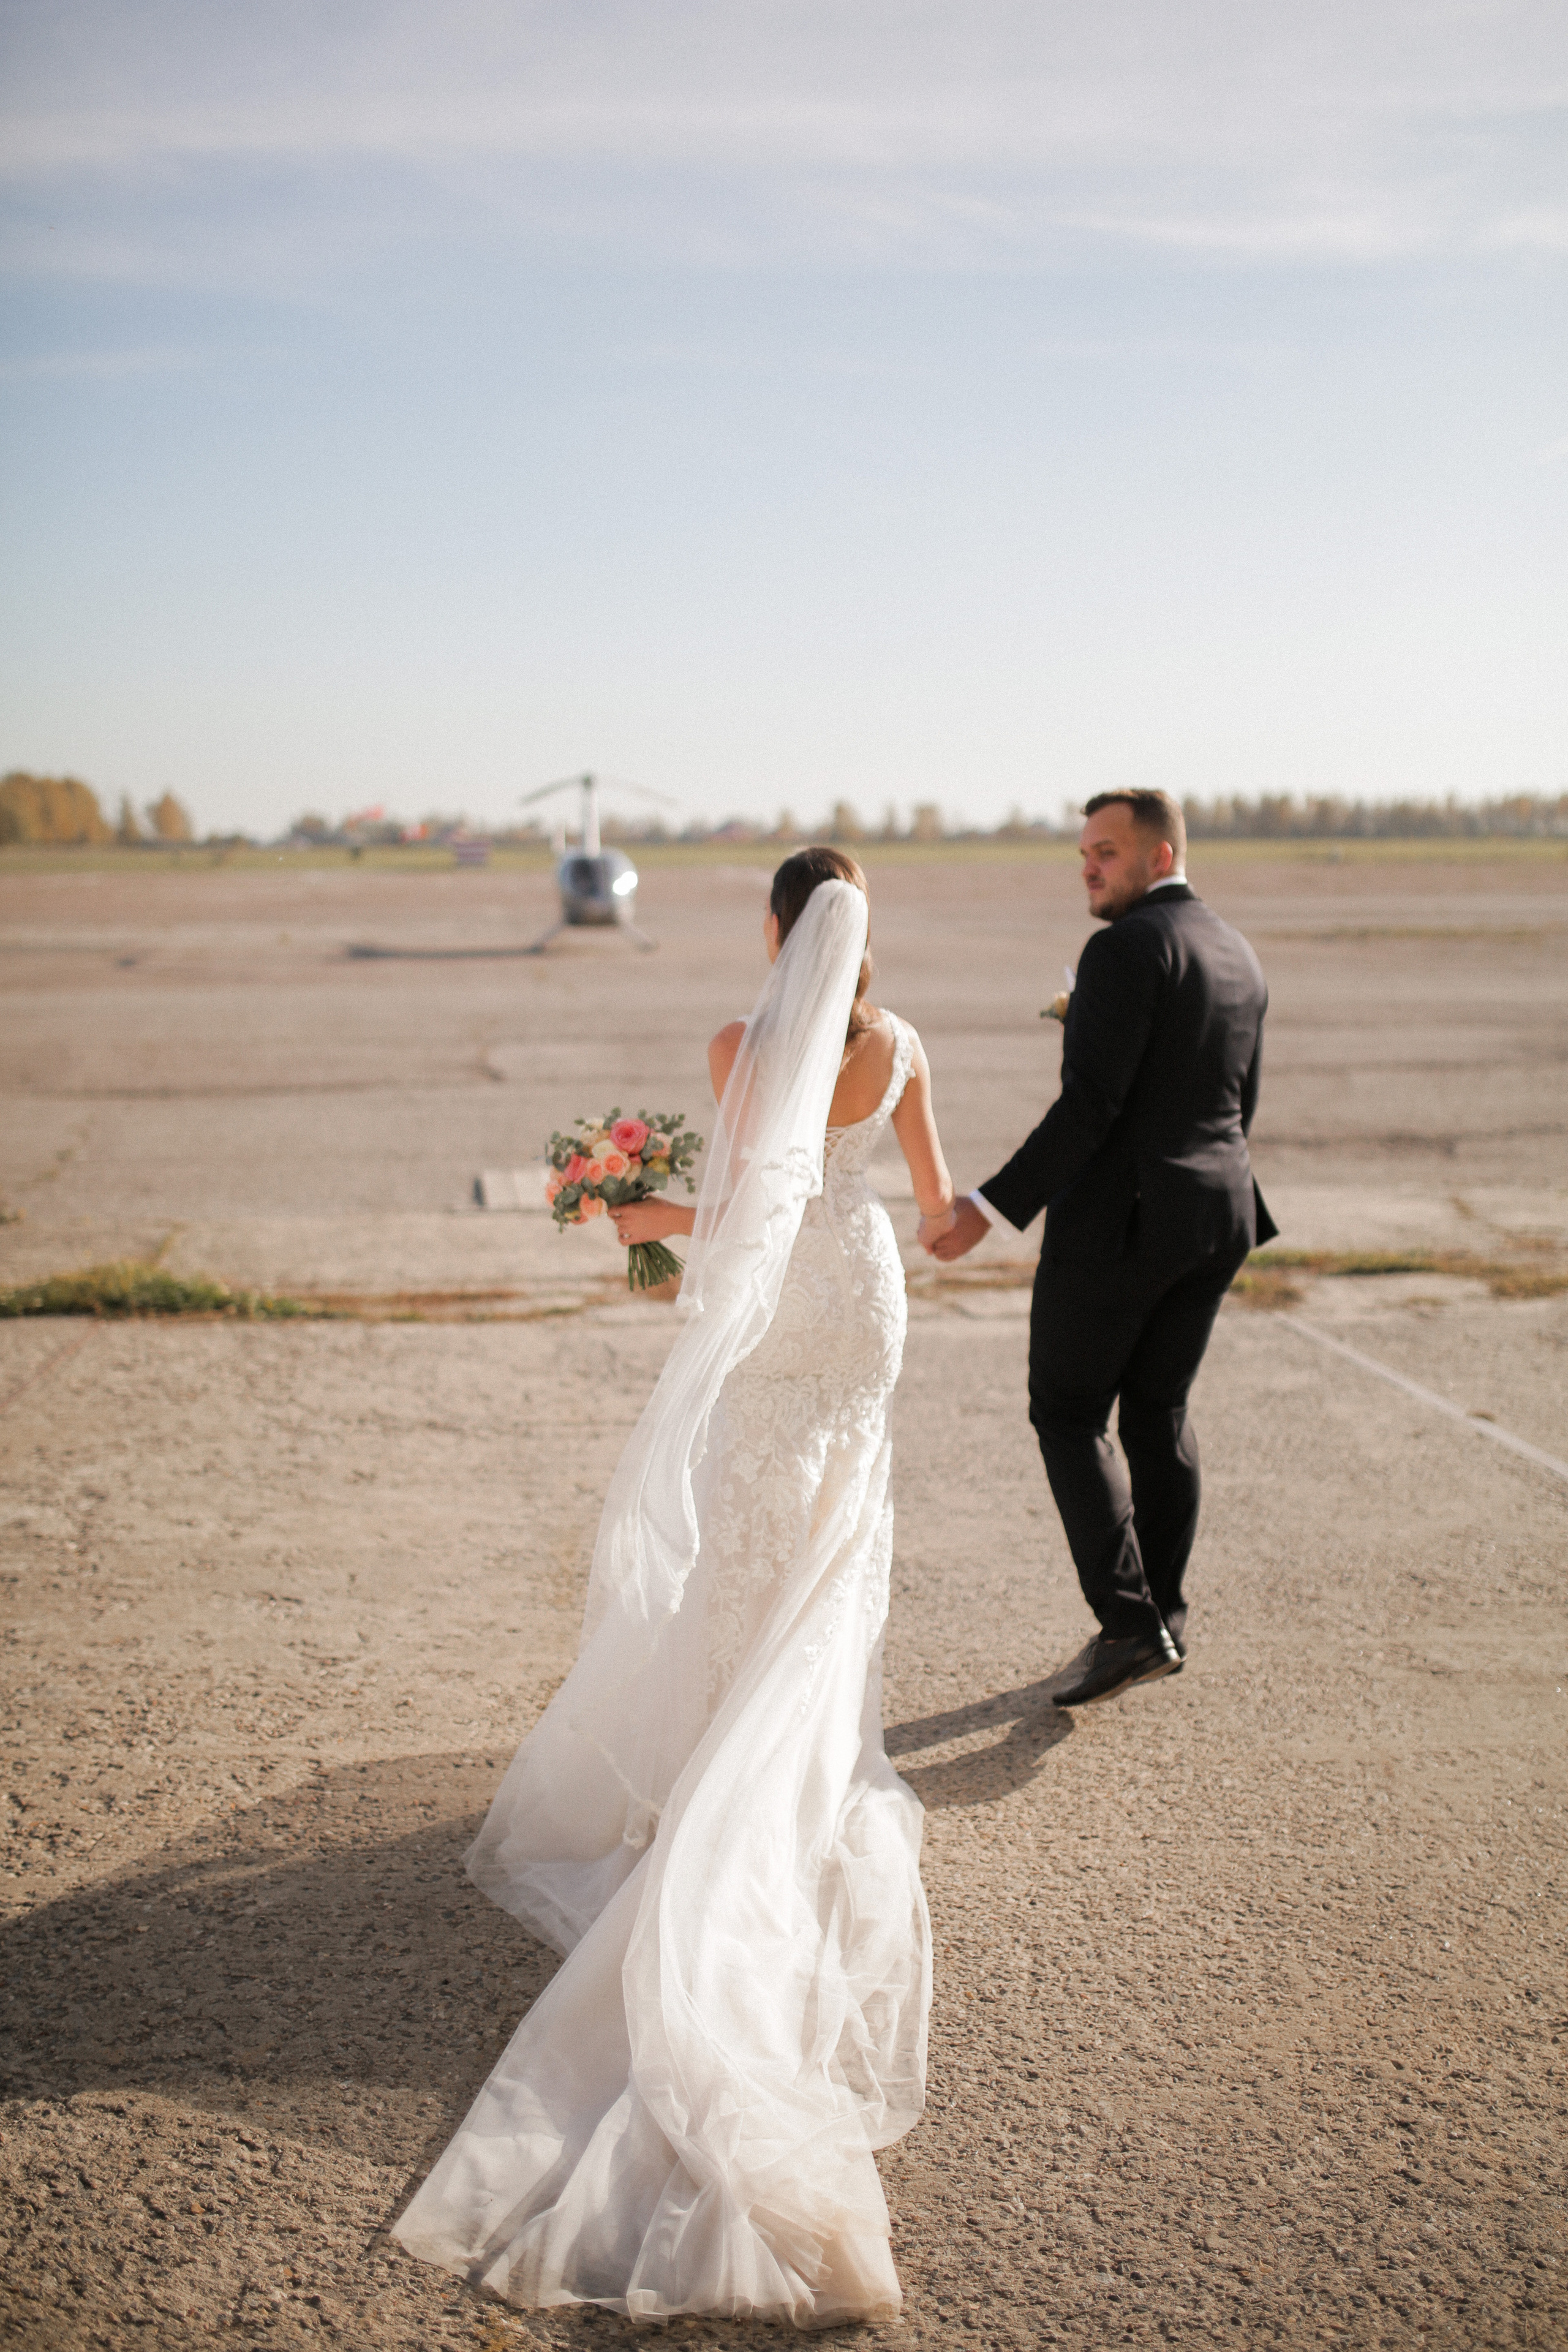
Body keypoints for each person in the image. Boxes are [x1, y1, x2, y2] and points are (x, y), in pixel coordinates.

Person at [394, 848, 957, 2326]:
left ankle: (725, 1763)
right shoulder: (898, 1048)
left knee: (751, 1526)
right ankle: (820, 1751)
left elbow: (724, 1211)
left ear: (776, 931)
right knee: (842, 1530)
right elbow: (933, 1199)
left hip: (784, 1316)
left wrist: (617, 1211)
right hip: (867, 1302)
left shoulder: (740, 1043)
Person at [932, 790, 1274, 1708]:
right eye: (1084, 852)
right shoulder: (1236, 952)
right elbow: (1236, 1104)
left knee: (1069, 1412)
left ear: (1160, 856)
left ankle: (1129, 1625)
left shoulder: (1124, 949)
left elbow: (1091, 1108)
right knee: (1157, 1412)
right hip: (1220, 1213)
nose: (1089, 866)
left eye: (1109, 852)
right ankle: (1163, 1614)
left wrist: (987, 1209)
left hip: (1127, 1222)